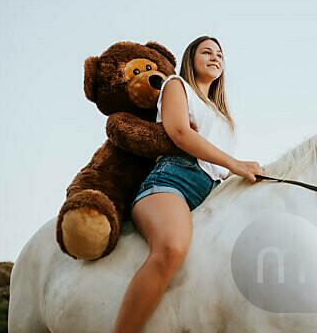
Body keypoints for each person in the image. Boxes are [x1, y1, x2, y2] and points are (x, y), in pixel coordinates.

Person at [113, 36, 264, 333]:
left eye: (220, 54)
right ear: (190, 58)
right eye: (207, 52)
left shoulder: (223, 116)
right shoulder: (176, 85)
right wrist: (236, 164)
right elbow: (180, 132)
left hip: (211, 193)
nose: (215, 57)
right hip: (173, 180)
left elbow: (217, 168)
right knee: (171, 247)